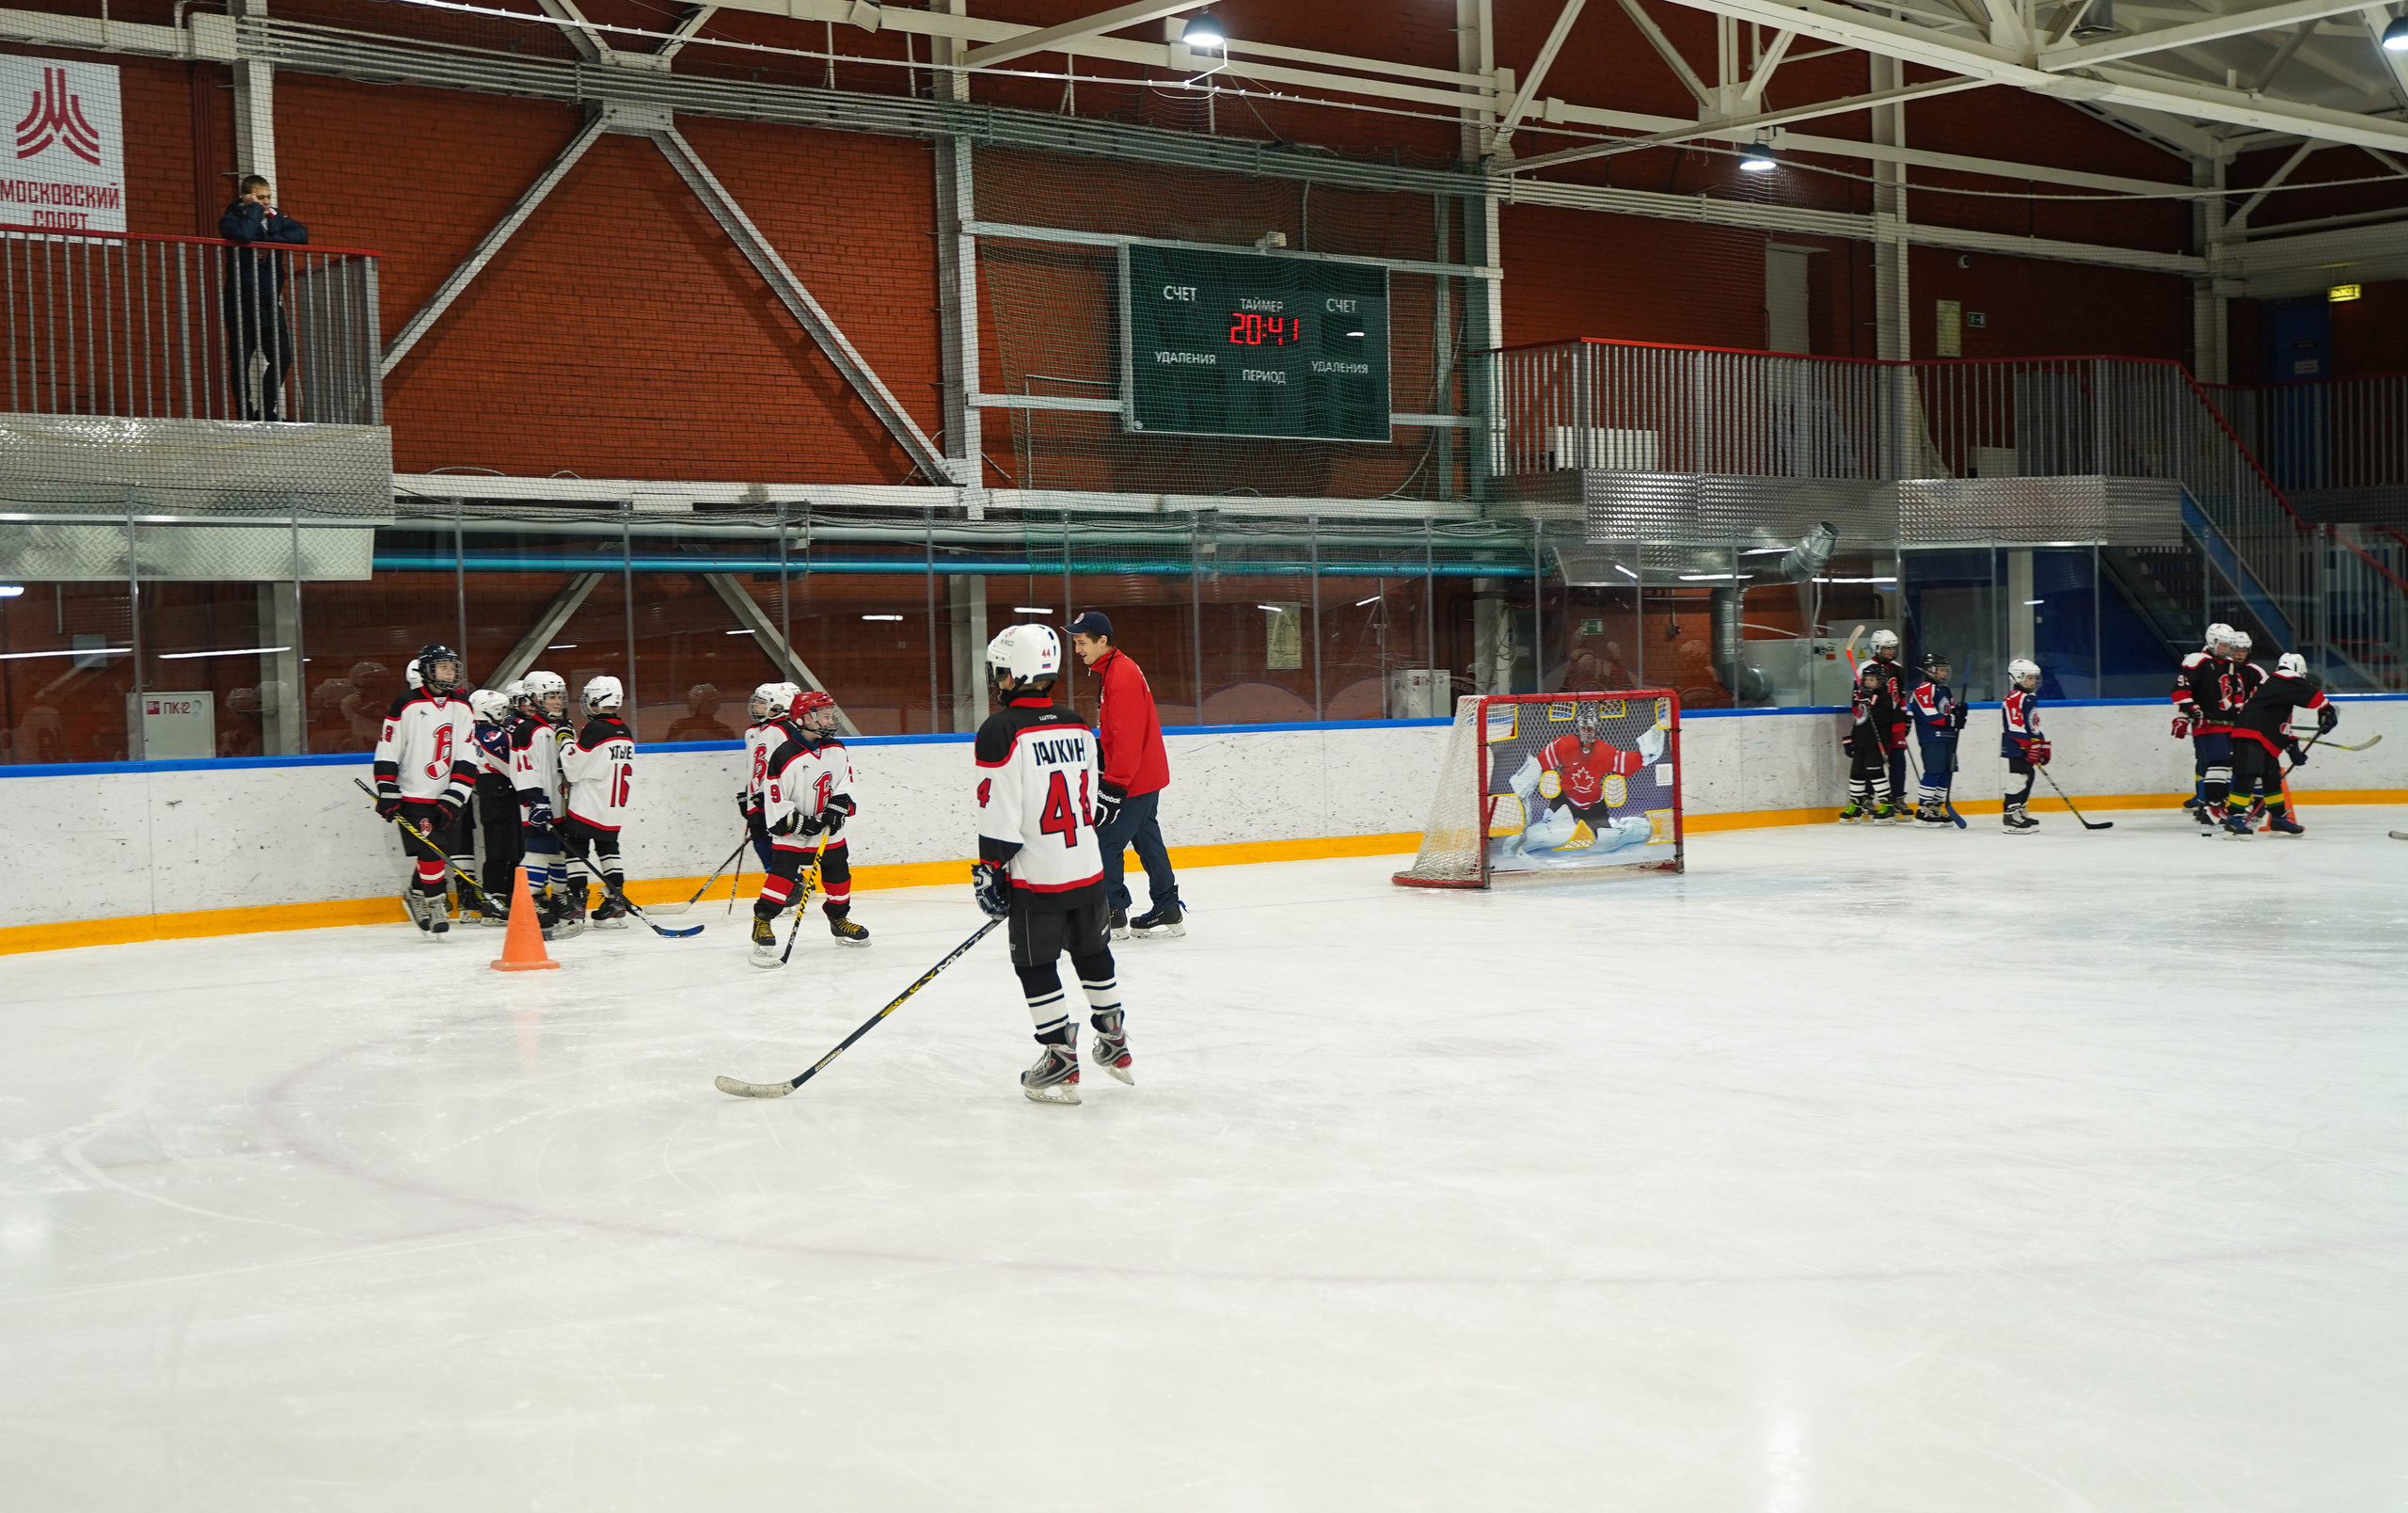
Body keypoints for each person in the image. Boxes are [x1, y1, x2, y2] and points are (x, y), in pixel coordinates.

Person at [971, 624, 1130, 1106]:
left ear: (1016, 672)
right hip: (1087, 869)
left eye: (999, 671)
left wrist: (989, 871)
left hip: (1037, 876)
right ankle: (1114, 1041)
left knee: (1035, 963)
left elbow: (1001, 814)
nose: (996, 680)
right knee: (1092, 953)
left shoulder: (1000, 730)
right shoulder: (1078, 722)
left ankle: (1059, 1055)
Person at [1067, 611, 1180, 939]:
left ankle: (1113, 913)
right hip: (1144, 773)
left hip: (1133, 778)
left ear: (1103, 641)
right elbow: (1119, 730)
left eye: (1082, 642)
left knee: (1105, 841)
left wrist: (1113, 786)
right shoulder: (1115, 669)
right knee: (1146, 837)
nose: (1078, 649)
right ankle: (1167, 906)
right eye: (1075, 643)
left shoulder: (1121, 675)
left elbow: (1128, 735)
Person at [748, 689, 866, 964]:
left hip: (829, 832)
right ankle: (762, 920)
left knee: (838, 876)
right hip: (794, 835)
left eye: (829, 715)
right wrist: (800, 823)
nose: (829, 721)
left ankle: (839, 919)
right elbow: (776, 801)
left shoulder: (836, 748)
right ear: (803, 719)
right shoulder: (784, 756)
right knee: (782, 878)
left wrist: (839, 805)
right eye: (823, 716)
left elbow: (845, 783)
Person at [371, 643, 477, 938]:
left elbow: (468, 753)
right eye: (443, 666)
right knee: (430, 850)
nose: (450, 672)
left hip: (449, 791)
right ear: (427, 671)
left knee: (441, 851)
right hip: (414, 793)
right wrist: (388, 787)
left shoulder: (463, 705)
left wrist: (456, 793)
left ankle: (415, 894)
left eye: (452, 666)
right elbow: (388, 747)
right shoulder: (406, 703)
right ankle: (435, 902)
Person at [1502, 700, 1662, 855]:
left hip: (1593, 805)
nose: (1586, 732)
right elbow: (1539, 763)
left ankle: (1634, 828)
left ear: (1596, 729)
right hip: (1564, 800)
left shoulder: (1604, 752)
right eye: (1583, 728)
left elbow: (1628, 763)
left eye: (1589, 729)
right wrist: (1524, 779)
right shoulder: (1564, 745)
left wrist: (1646, 756)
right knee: (1551, 834)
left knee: (1608, 841)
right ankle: (1526, 840)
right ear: (1578, 728)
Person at [217, 174, 309, 422]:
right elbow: (244, 234)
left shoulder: (276, 218)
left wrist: (267, 241)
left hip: (270, 301)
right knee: (241, 360)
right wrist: (254, 210)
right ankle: (245, 412)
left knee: (282, 356)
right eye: (260, 197)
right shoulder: (231, 218)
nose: (266, 202)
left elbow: (302, 234)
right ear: (245, 197)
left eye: (268, 197)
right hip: (241, 302)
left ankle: (267, 410)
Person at [2227, 652, 2336, 837]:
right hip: (2250, 734)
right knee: (2247, 774)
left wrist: (2292, 746)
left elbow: (2280, 723)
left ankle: (2277, 819)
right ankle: (2234, 820)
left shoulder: (2279, 689)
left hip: (2261, 736)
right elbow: (2308, 693)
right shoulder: (2283, 677)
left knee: (2272, 777)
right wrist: (2326, 707)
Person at [559, 676, 638, 929]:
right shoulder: (625, 730)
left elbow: (573, 767)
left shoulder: (595, 729)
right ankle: (616, 901)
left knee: (576, 848)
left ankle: (577, 903)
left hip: (589, 803)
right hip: (613, 806)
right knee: (608, 849)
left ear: (596, 699)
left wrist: (565, 739)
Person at [509, 672, 578, 936]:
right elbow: (521, 769)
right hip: (539, 804)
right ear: (535, 698)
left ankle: (560, 899)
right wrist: (534, 800)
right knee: (538, 852)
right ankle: (525, 904)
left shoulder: (561, 727)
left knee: (559, 853)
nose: (556, 702)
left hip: (560, 804)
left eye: (559, 696)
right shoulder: (527, 729)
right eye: (550, 697)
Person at [2172, 624, 2242, 822]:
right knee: (2217, 763)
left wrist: (2240, 712)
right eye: (2223, 645)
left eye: (2229, 645)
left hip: (2228, 723)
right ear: (2212, 642)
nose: (2226, 649)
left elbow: (2234, 693)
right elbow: (2181, 690)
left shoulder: (2228, 663)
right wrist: (2189, 711)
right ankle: (2213, 807)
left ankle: (2215, 806)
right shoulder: (2196, 660)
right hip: (2208, 724)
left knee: (2226, 765)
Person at [465, 687, 522, 926]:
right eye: (501, 710)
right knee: (502, 850)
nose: (505, 714)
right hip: (500, 793)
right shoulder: (492, 736)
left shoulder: (476, 732)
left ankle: (503, 898)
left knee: (510, 849)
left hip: (494, 794)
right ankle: (494, 902)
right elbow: (512, 768)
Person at [738, 682, 800, 874]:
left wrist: (777, 794)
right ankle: (779, 881)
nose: (756, 706)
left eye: (761, 702)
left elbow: (792, 767)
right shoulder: (752, 731)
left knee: (780, 840)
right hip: (757, 797)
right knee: (759, 839)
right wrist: (747, 793)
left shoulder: (786, 729)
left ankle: (793, 881)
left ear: (778, 706)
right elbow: (755, 767)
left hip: (776, 798)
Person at [1840, 661, 1905, 824]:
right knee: (1856, 774)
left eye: (1872, 679)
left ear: (1881, 681)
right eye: (1866, 679)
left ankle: (1887, 804)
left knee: (1875, 773)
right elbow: (1859, 720)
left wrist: (1872, 703)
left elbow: (1885, 720)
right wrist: (1851, 739)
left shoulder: (1885, 698)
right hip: (1862, 741)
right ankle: (1856, 804)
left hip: (1876, 743)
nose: (1867, 682)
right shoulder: (1863, 697)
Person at [1859, 629, 1913, 820]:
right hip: (1875, 722)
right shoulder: (1865, 667)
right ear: (1875, 648)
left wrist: (1907, 716)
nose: (1890, 652)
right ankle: (1867, 797)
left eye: (1892, 648)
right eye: (1886, 648)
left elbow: (1902, 695)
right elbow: (1857, 698)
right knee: (1874, 761)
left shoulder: (1897, 668)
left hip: (1895, 721)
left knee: (1899, 760)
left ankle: (1898, 797)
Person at [1908, 651, 1965, 826]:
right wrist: (1954, 718)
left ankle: (1936, 806)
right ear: (1930, 670)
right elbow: (1932, 716)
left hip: (1948, 737)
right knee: (1933, 772)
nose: (1945, 673)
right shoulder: (1923, 689)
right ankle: (1923, 809)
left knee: (1946, 772)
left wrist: (1960, 713)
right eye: (1941, 669)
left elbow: (1950, 712)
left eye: (1945, 669)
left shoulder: (1946, 689)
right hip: (1932, 738)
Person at [2000, 657, 2048, 834]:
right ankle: (2010, 815)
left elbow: (2033, 722)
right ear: (2017, 677)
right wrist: (2028, 744)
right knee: (2018, 777)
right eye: (2029, 677)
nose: (2033, 681)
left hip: (2029, 744)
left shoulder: (2029, 697)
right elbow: (2015, 725)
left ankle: (2020, 809)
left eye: (2035, 678)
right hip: (2016, 744)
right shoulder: (2014, 697)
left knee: (2029, 775)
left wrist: (2041, 743)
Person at [666, 682, 736, 742]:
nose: (710, 705)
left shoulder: (724, 730)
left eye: (711, 702)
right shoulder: (678, 727)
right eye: (708, 702)